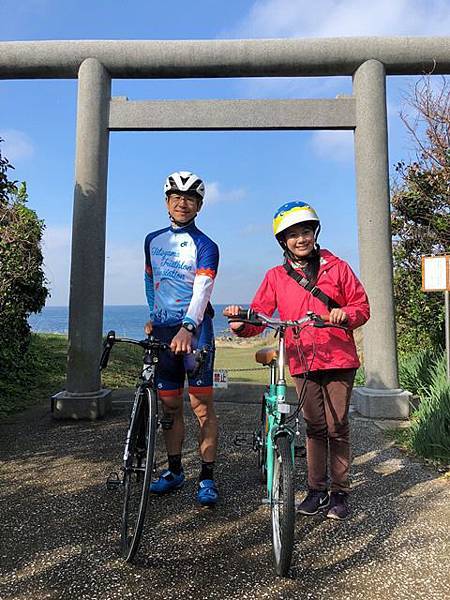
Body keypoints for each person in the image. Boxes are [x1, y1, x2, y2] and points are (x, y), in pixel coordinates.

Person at [225, 201, 370, 520]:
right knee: (314, 426)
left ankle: (339, 492)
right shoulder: (275, 276)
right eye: (292, 235)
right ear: (283, 241)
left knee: (337, 426)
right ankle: (316, 490)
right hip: (302, 359)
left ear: (315, 233)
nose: (300, 239)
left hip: (338, 357)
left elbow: (361, 306)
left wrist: (345, 314)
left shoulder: (338, 267)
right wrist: (241, 323)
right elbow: (259, 316)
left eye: (306, 231)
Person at [144, 171, 220, 506]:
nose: (182, 202)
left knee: (201, 405)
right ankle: (174, 471)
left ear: (199, 205)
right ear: (166, 201)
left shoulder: (206, 245)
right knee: (170, 405)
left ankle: (207, 477)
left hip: (196, 333)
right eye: (176, 196)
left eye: (190, 198)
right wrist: (154, 315)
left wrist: (188, 327)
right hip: (163, 331)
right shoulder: (152, 240)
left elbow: (203, 290)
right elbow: (150, 280)